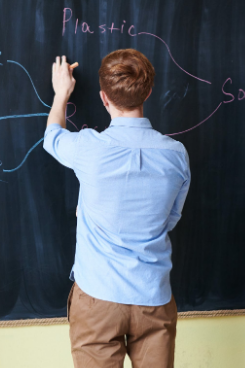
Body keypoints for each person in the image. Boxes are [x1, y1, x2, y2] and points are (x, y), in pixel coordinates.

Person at [44, 50, 191, 368]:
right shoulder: (176, 155)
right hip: (153, 297)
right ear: (149, 93)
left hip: (98, 297)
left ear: (103, 98)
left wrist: (61, 94)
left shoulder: (88, 148)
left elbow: (52, 138)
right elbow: (171, 218)